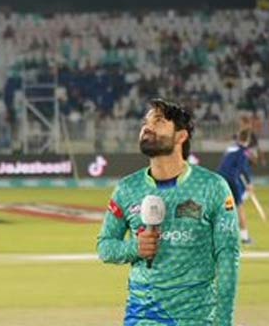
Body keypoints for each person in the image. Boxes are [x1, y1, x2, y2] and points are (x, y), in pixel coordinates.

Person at [97, 98, 240, 325]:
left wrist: (223, 321)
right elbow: (105, 246)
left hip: (196, 316)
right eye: (146, 122)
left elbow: (227, 256)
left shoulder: (212, 187)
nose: (147, 126)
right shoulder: (127, 188)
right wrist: (136, 247)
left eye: (159, 121)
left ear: (181, 136)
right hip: (143, 314)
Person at [218, 129, 255, 245]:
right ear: (248, 140)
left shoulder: (231, 148)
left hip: (219, 179)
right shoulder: (245, 152)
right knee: (239, 208)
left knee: (225, 208)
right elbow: (244, 169)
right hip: (232, 180)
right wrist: (249, 184)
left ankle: (221, 236)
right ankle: (245, 238)